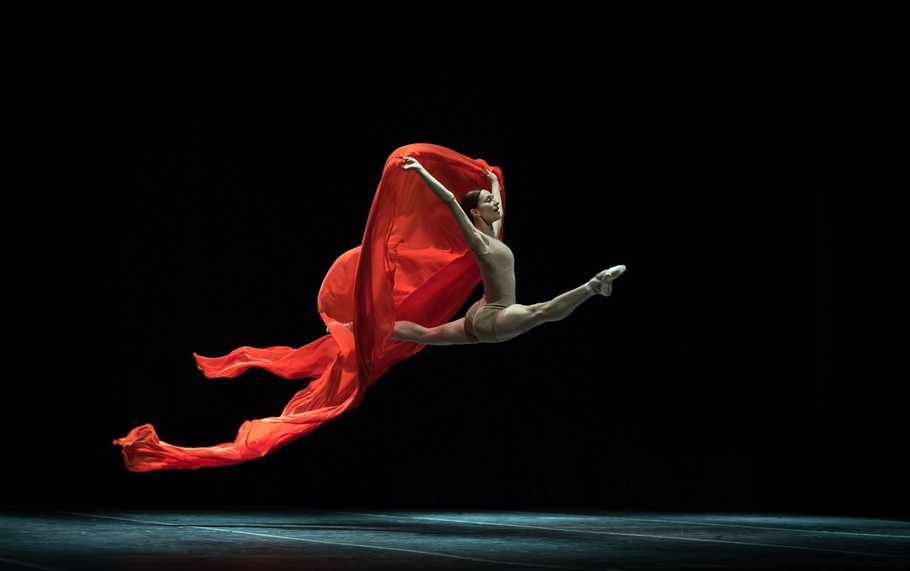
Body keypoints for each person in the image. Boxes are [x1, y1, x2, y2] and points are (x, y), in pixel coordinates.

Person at [389, 155, 626, 346]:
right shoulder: (477, 240)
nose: (494, 202)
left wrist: (493, 182)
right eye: (488, 201)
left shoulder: (492, 235)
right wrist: (420, 170)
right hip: (494, 317)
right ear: (475, 212)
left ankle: (374, 328)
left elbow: (499, 206)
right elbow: (450, 200)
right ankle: (595, 285)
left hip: (482, 311)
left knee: (426, 335)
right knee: (541, 312)